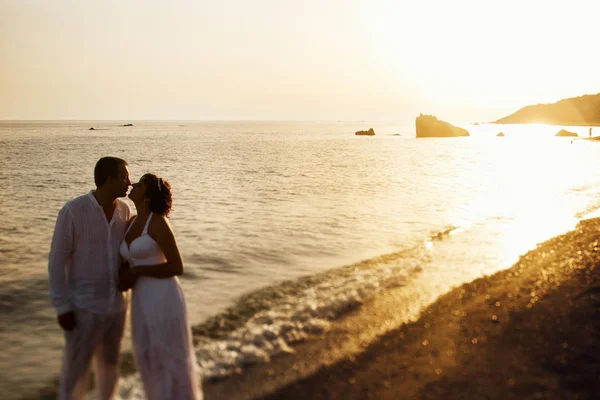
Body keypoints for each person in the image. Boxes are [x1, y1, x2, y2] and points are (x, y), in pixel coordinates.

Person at [48, 157, 132, 399]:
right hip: (83, 308)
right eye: (124, 177)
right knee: (75, 373)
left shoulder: (124, 211)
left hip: (117, 307)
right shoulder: (72, 211)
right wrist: (62, 306)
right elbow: (56, 261)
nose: (129, 182)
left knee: (110, 369)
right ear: (109, 179)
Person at [119, 173, 201, 399]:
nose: (133, 184)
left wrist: (139, 271)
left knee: (169, 357)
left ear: (148, 193)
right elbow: (125, 261)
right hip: (140, 299)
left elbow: (177, 266)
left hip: (163, 296)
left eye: (140, 183)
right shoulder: (130, 221)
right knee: (146, 356)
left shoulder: (158, 223)